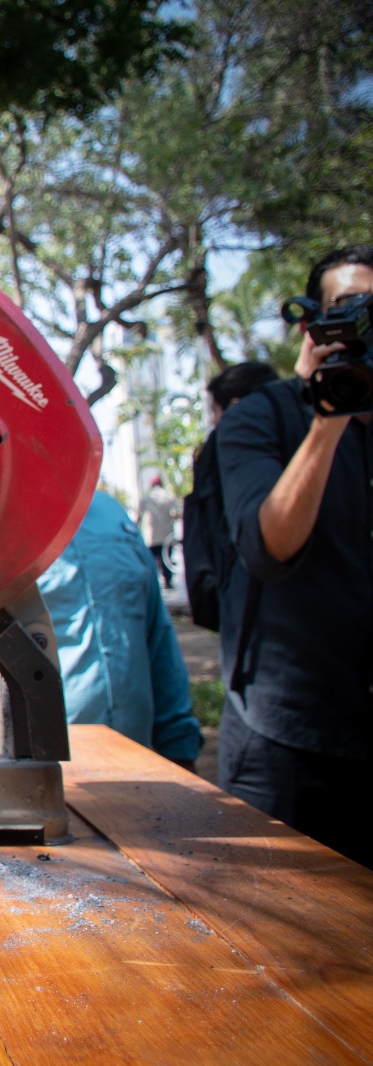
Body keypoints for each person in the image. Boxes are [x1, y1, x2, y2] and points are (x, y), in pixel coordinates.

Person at [214, 244, 373, 867]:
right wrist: (329, 413)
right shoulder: (260, 418)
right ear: (312, 323)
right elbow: (267, 545)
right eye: (349, 307)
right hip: (284, 743)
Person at [0, 492, 201, 767]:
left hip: (132, 765)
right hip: (14, 776)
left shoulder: (108, 512)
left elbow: (156, 638)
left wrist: (180, 745)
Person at [182, 362, 280, 630]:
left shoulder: (219, 446)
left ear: (236, 407)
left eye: (214, 411)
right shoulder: (306, 431)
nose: (213, 421)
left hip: (246, 604)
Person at [136, 474, 179, 589]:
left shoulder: (145, 498)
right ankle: (168, 582)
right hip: (166, 533)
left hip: (151, 535)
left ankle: (154, 584)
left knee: (152, 560)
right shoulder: (168, 496)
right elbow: (175, 514)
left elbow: (138, 517)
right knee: (166, 558)